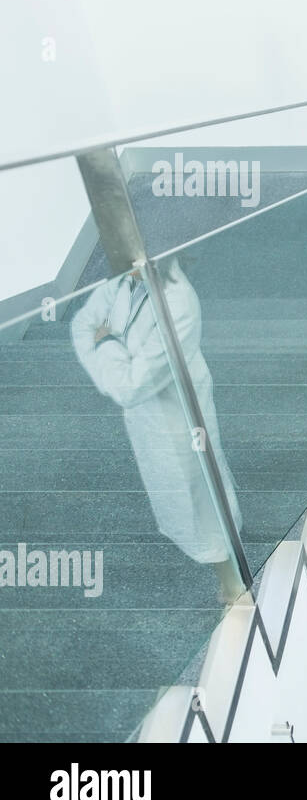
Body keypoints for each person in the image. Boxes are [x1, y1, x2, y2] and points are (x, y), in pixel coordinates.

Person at [70, 258, 244, 603]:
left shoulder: (178, 303)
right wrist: (114, 363)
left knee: (205, 509)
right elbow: (82, 325)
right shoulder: (125, 282)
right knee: (196, 503)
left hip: (180, 423)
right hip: (151, 420)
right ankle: (229, 577)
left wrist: (106, 345)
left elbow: (128, 387)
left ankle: (233, 588)